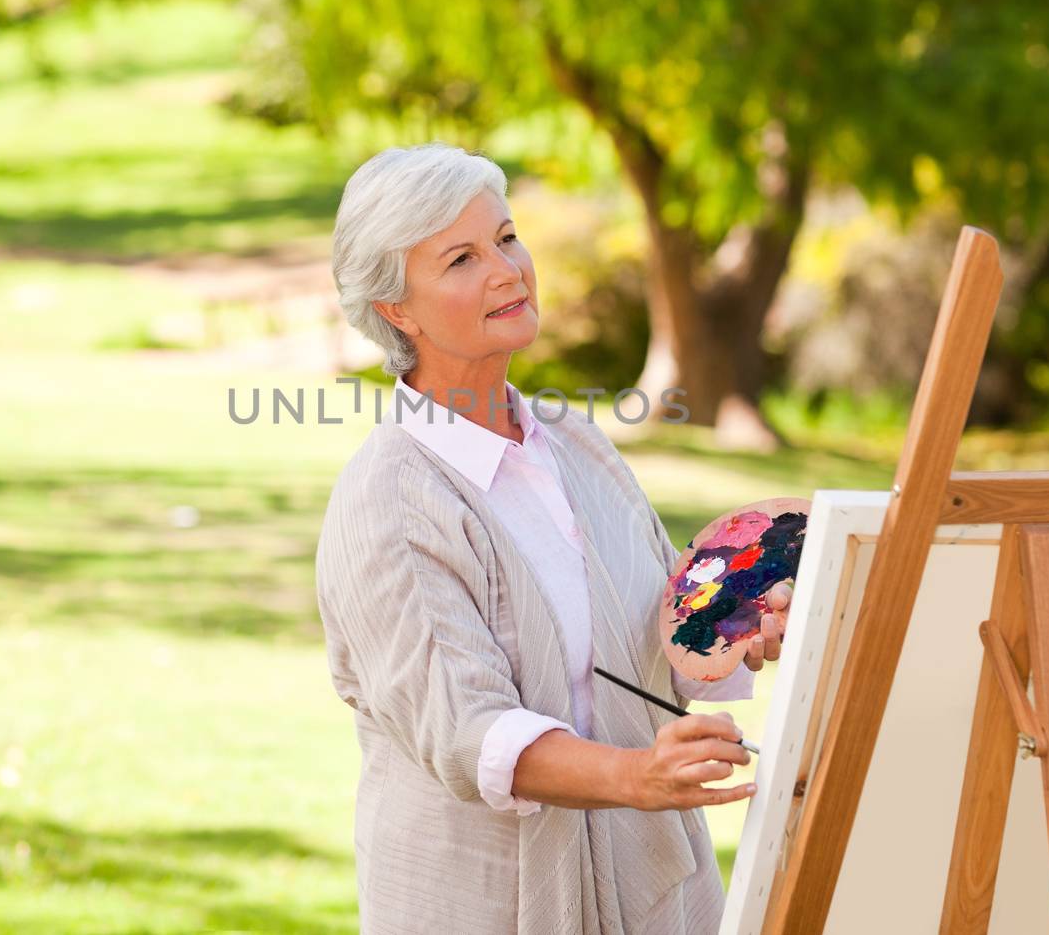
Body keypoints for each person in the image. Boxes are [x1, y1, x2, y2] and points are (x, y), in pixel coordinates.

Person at [314, 143, 792, 934]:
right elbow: (471, 731)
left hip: (649, 885)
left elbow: (663, 622)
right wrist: (638, 773)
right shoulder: (389, 500)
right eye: (462, 258)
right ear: (397, 308)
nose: (507, 269)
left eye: (506, 237)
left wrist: (741, 622)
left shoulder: (575, 443)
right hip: (485, 901)